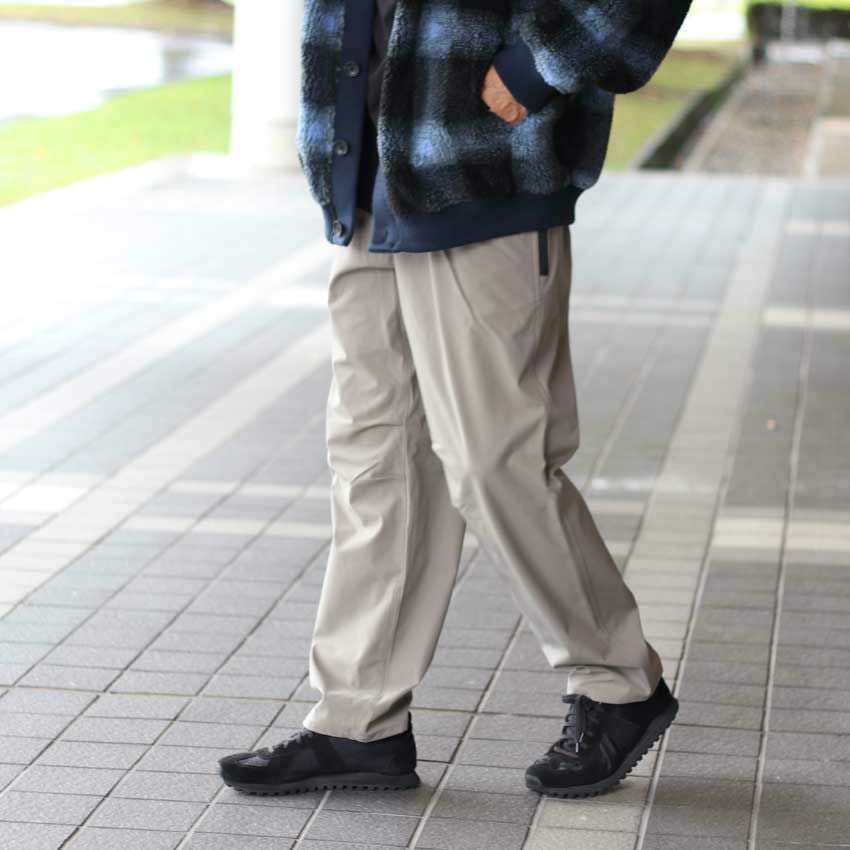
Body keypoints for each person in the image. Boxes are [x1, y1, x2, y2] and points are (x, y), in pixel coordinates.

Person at [220, 0, 692, 799]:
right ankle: (358, 720)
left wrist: (540, 66)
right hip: (367, 167)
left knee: (492, 460)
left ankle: (620, 685)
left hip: (485, 173)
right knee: (376, 458)